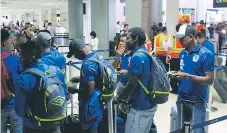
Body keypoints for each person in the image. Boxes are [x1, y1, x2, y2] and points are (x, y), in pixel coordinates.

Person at [171, 24, 214, 133]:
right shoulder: (182, 53)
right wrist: (176, 74)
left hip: (197, 101)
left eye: (182, 38)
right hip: (182, 99)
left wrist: (187, 76)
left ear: (191, 37)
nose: (179, 41)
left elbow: (209, 79)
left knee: (197, 131)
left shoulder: (206, 54)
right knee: (181, 129)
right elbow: (185, 72)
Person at [15, 40, 66, 133]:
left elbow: (20, 111)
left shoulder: (23, 79)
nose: (20, 59)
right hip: (55, 125)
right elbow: (64, 93)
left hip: (33, 127)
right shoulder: (56, 71)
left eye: (22, 56)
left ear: (32, 58)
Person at [117, 27, 157, 133]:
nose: (126, 41)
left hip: (139, 106)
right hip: (150, 103)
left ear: (135, 39)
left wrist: (120, 98)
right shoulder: (146, 53)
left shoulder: (137, 57)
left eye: (128, 38)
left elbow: (132, 84)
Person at [67, 39, 103, 133]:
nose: (76, 57)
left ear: (80, 50)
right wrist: (81, 78)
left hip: (90, 106)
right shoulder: (96, 56)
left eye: (75, 54)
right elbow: (96, 76)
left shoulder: (87, 64)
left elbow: (89, 91)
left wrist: (75, 90)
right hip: (98, 102)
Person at [1, 29, 23, 133]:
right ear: (4, 43)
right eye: (10, 41)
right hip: (13, 104)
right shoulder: (15, 60)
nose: (12, 42)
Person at [166, 24, 184, 94]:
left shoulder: (172, 37)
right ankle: (181, 88)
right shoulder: (185, 37)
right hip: (183, 59)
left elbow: (169, 48)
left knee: (173, 73)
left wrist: (167, 57)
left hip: (174, 59)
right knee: (181, 73)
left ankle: (174, 89)